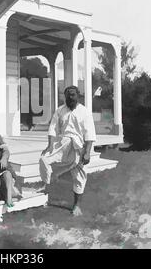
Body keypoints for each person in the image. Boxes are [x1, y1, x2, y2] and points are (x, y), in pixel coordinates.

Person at [38, 86, 96, 216]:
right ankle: (47, 187)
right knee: (44, 160)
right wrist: (50, 145)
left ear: (78, 95)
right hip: (62, 145)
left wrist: (87, 152)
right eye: (68, 95)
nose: (71, 97)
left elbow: (90, 134)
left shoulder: (85, 112)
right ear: (65, 96)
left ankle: (77, 206)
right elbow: (53, 128)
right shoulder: (60, 111)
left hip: (78, 147)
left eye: (73, 94)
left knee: (79, 176)